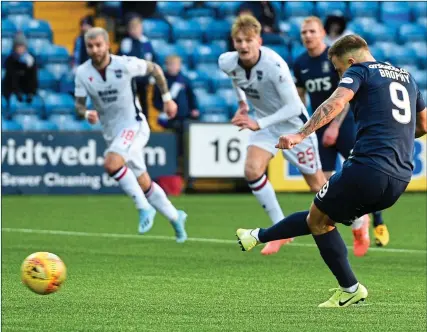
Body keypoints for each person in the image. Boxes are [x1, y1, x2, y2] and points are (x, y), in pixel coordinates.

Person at [236, 34, 427, 307]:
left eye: (339, 70)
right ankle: (256, 236)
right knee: (322, 217)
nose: (339, 75)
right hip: (400, 178)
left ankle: (348, 288)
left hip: (367, 168)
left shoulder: (359, 69)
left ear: (349, 61)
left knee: (318, 219)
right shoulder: (407, 77)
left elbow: (337, 102)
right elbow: (423, 125)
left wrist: (301, 134)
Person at [219, 15, 326, 256]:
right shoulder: (226, 61)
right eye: (238, 41)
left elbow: (293, 106)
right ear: (233, 42)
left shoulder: (274, 65)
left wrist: (258, 122)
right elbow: (236, 78)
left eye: (248, 40)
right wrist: (242, 104)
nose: (243, 45)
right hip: (265, 125)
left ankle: (358, 221)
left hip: (295, 127)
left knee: (318, 186)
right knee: (252, 170)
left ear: (259, 40)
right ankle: (281, 229)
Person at [74, 27, 188, 243]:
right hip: (112, 132)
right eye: (90, 46)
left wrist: (167, 99)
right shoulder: (82, 73)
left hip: (134, 126)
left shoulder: (124, 64)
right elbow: (78, 106)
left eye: (99, 45)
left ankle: (144, 208)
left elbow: (155, 69)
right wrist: (86, 113)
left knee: (112, 163)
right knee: (143, 182)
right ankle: (176, 218)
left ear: (107, 45)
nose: (95, 50)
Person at [293, 16, 388, 257]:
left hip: (344, 124)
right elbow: (300, 98)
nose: (307, 36)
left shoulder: (337, 58)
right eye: (304, 32)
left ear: (322, 33)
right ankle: (357, 220)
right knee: (325, 184)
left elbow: (343, 97)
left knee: (365, 172)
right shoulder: (300, 63)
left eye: (312, 31)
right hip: (319, 126)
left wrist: (335, 126)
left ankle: (377, 222)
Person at [153, 55, 199, 159]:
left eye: (176, 65)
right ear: (167, 66)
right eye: (171, 65)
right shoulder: (161, 82)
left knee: (185, 143)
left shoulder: (185, 80)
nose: (173, 67)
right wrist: (163, 108)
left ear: (179, 66)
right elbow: (155, 101)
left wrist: (194, 108)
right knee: (170, 143)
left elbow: (192, 96)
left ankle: (183, 162)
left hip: (184, 117)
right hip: (168, 119)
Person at [2, 33, 38, 103]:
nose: (20, 49)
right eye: (18, 46)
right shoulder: (10, 60)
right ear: (14, 48)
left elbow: (33, 78)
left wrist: (31, 93)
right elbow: (11, 78)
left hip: (26, 89)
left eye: (22, 46)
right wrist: (17, 92)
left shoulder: (30, 60)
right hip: (12, 90)